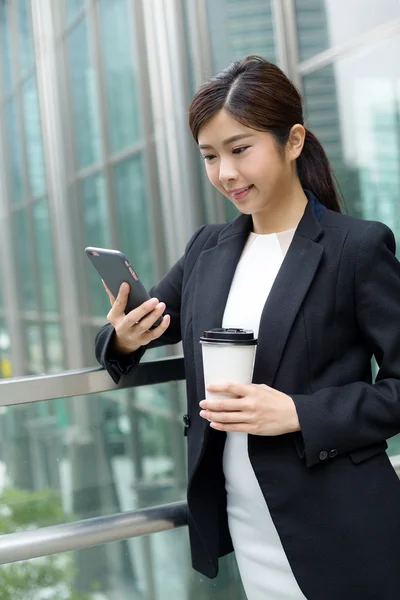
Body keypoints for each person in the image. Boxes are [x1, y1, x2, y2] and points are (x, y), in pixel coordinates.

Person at [95, 56, 400, 600]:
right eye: (210, 156)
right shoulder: (208, 250)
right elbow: (137, 329)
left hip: (342, 529)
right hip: (248, 525)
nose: (226, 173)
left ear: (294, 141)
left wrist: (299, 413)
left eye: (240, 149)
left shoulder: (357, 248)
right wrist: (124, 335)